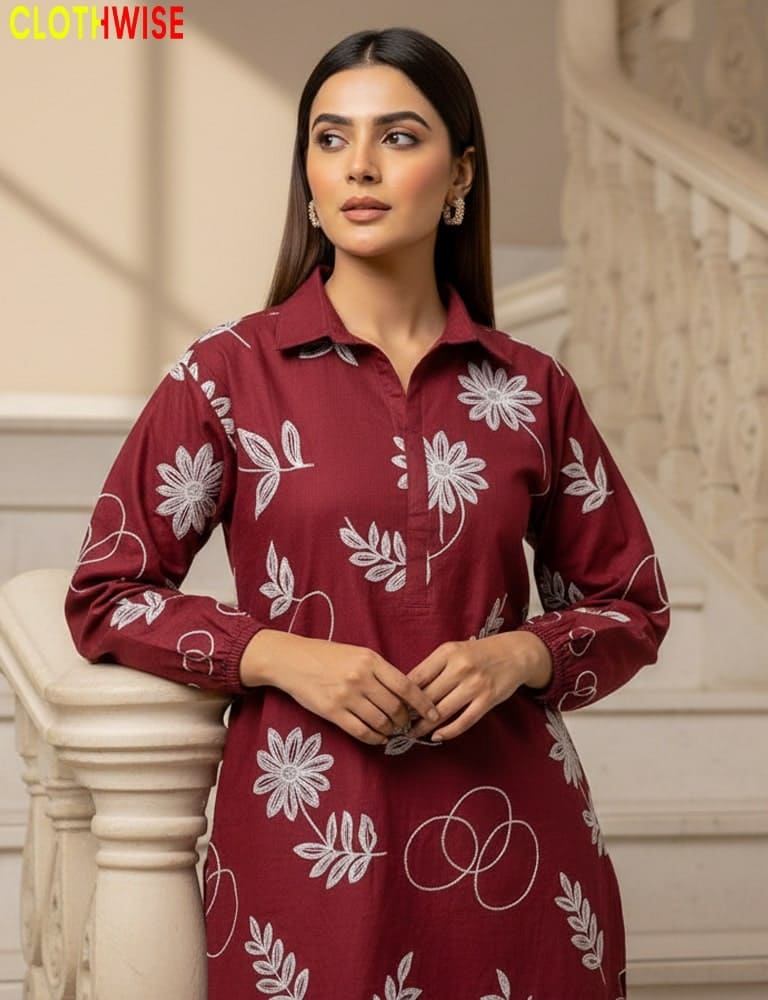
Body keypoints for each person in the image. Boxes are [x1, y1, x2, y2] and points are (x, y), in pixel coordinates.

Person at [66, 26, 669, 999]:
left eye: (397, 136)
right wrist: (276, 653)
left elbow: (629, 600)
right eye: (330, 138)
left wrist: (522, 652)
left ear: (460, 172)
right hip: (306, 849)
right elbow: (107, 591)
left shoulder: (530, 389)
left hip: (516, 848)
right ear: (307, 176)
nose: (359, 165)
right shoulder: (226, 377)